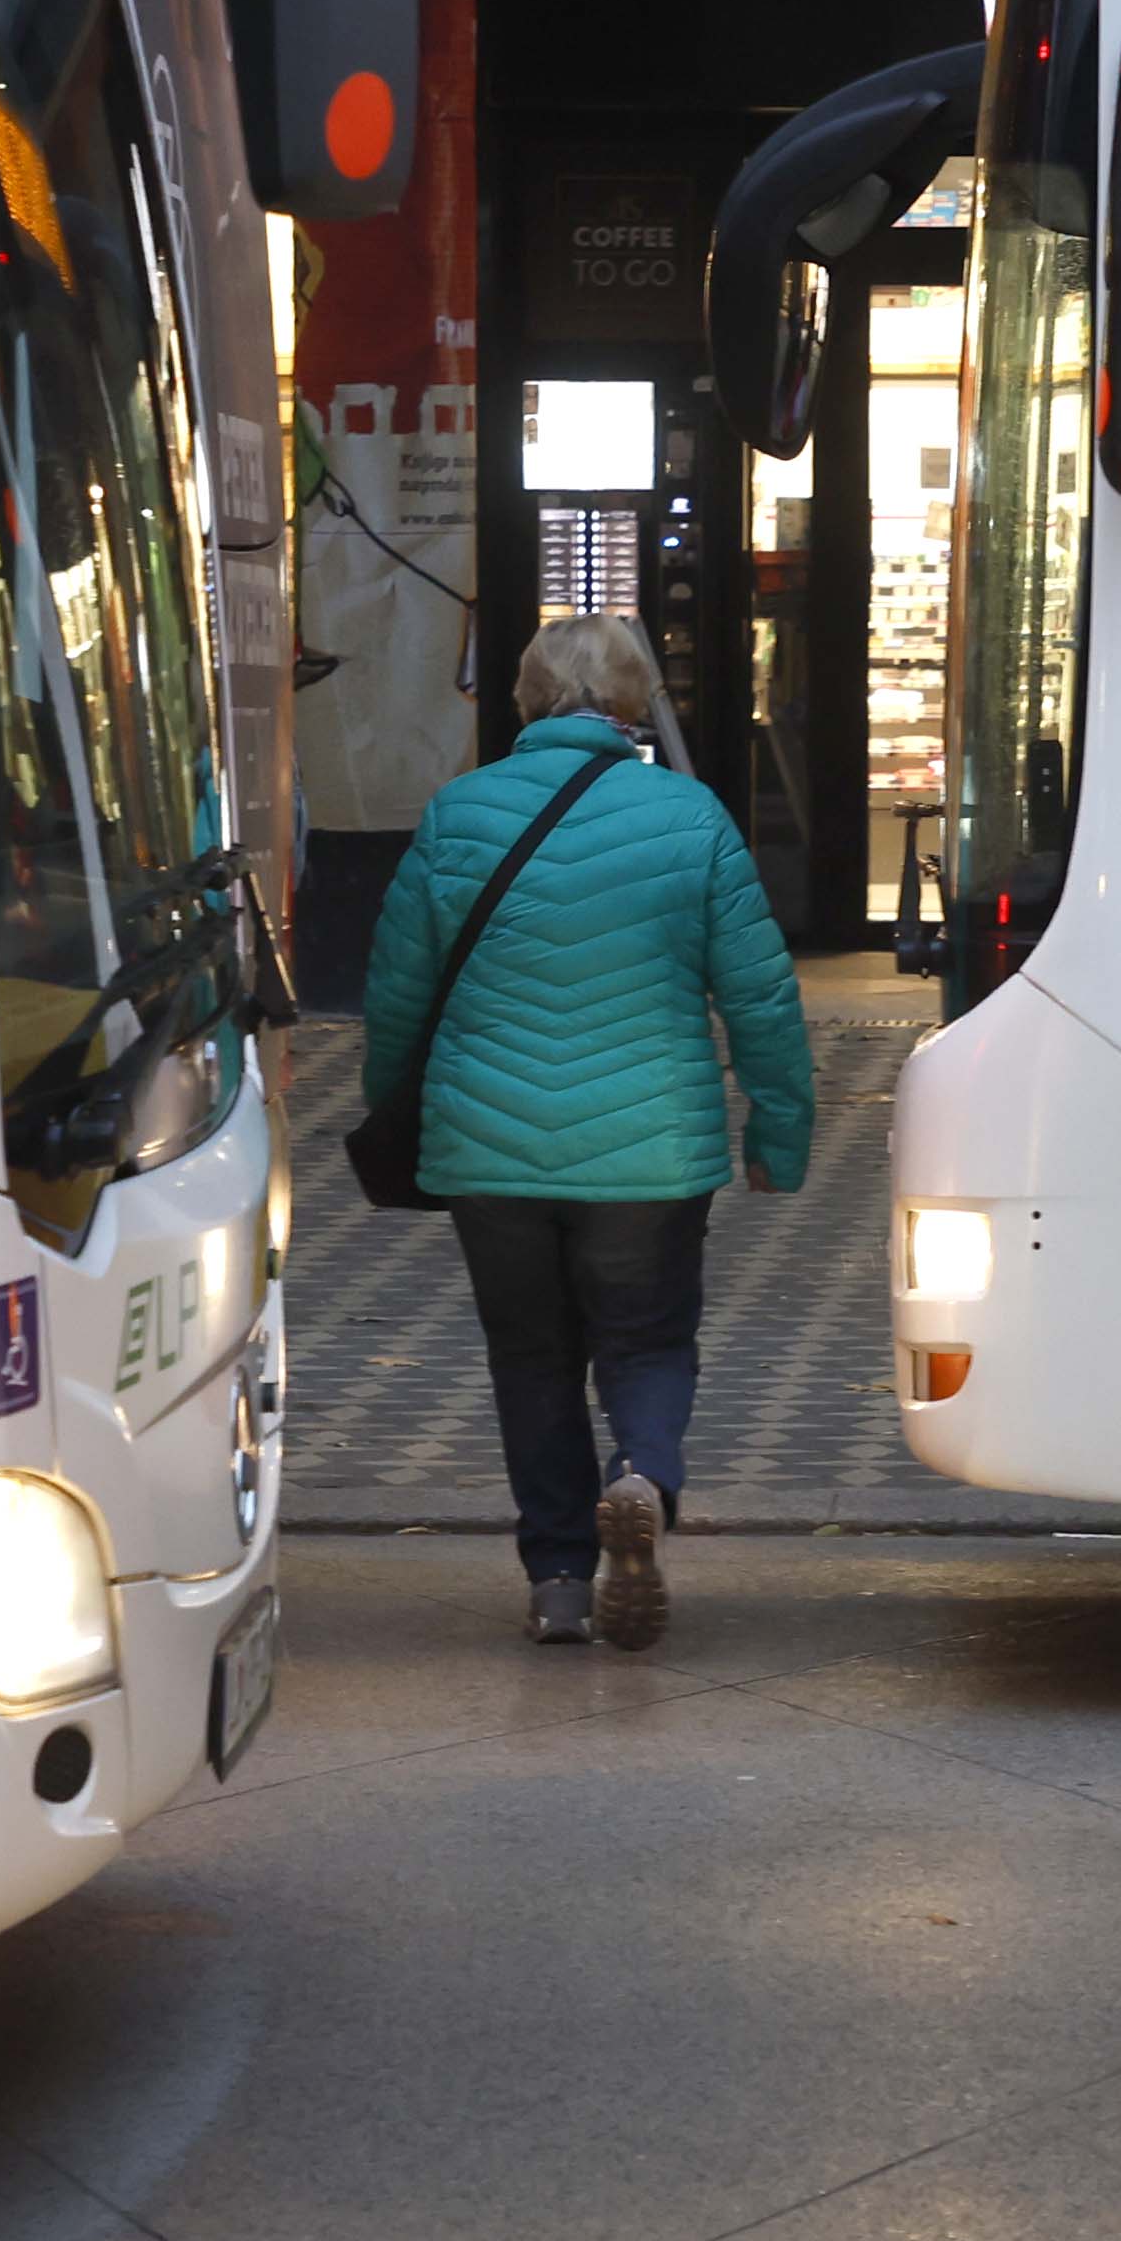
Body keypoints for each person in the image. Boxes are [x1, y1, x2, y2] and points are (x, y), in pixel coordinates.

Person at [360, 613, 812, 1652]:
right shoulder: (689, 819)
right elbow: (761, 999)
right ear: (634, 703)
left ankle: (559, 1578)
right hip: (651, 1153)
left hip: (489, 1149)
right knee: (647, 1338)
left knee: (530, 1358)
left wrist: (398, 1116)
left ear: (522, 700)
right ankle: (643, 1474)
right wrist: (778, 1135)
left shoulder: (457, 816)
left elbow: (396, 998)